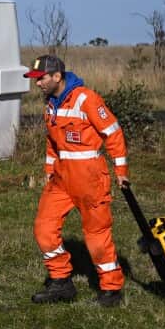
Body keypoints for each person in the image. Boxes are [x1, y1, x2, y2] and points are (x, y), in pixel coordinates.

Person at [25, 55, 129, 307]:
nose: (37, 84)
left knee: (97, 236)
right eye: (35, 79)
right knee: (44, 229)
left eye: (41, 78)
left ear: (57, 76)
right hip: (61, 179)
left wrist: (121, 170)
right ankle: (61, 282)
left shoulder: (86, 99)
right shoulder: (50, 105)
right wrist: (49, 168)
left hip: (90, 178)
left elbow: (113, 133)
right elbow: (52, 141)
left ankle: (111, 290)